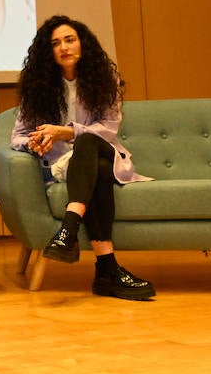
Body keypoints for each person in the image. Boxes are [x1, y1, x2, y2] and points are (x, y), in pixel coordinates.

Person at [12, 15, 155, 300]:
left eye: (70, 39)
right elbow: (17, 136)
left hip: (102, 150)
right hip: (65, 167)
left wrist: (65, 132)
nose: (63, 47)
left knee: (90, 140)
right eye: (55, 43)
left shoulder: (104, 80)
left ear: (82, 44)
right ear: (48, 52)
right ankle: (106, 271)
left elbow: (109, 129)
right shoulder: (38, 87)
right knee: (98, 170)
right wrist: (35, 142)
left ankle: (69, 228)